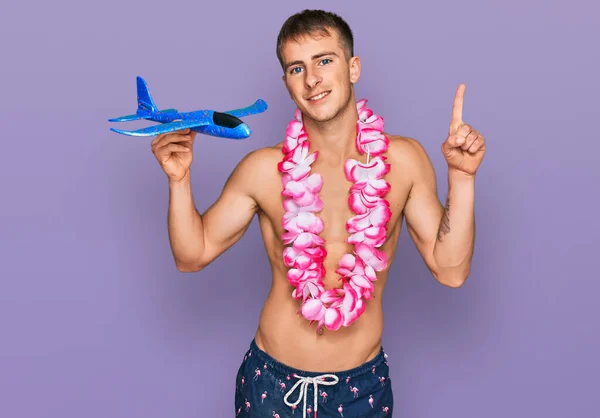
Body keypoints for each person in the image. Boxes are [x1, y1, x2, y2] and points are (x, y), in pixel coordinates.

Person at [150, 9, 485, 418]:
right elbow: (191, 255)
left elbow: (451, 271)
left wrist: (462, 177)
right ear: (287, 81)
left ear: (353, 67)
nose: (312, 79)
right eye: (297, 68)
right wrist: (179, 180)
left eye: (324, 60)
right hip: (271, 385)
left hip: (362, 390)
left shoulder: (405, 161)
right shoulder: (262, 169)